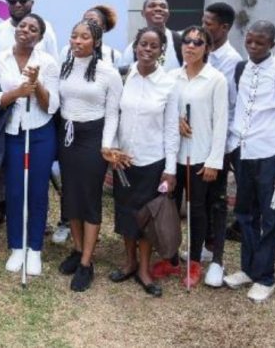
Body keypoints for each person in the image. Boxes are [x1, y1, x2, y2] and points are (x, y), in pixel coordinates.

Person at [223, 20, 275, 304]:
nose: (253, 47)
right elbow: (236, 109)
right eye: (250, 41)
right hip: (243, 152)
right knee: (244, 215)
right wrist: (232, 146)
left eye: (260, 43)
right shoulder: (241, 69)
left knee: (270, 218)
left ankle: (265, 277)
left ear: (272, 44)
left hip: (271, 155)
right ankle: (248, 268)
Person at [151, 26, 228, 288]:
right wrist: (177, 120)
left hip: (201, 156)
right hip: (174, 156)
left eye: (198, 42)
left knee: (197, 210)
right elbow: (163, 111)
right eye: (187, 41)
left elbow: (221, 123)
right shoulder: (172, 77)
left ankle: (194, 262)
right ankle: (172, 258)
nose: (191, 46)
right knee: (170, 207)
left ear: (207, 48)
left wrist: (214, 162)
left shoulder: (216, 79)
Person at [107, 26, 179, 298]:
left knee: (146, 217)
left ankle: (145, 270)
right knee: (126, 213)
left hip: (153, 162)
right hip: (124, 160)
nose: (148, 50)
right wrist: (113, 149)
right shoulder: (123, 76)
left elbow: (172, 129)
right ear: (135, 46)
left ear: (162, 51)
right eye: (143, 44)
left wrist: (169, 170)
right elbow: (113, 115)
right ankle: (129, 262)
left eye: (154, 46)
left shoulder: (168, 84)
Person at [0, 14, 59, 276]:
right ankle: (17, 246)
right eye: (23, 26)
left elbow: (51, 105)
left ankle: (35, 249)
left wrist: (35, 83)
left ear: (40, 37)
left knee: (38, 191)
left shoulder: (48, 62)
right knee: (15, 191)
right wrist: (17, 92)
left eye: (33, 29)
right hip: (13, 133)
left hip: (40, 132)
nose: (26, 30)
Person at [57, 20, 122, 291]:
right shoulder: (65, 67)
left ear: (96, 42)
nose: (77, 41)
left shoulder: (109, 73)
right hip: (68, 137)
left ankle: (86, 262)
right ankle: (77, 247)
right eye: (74, 36)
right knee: (70, 196)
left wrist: (106, 146)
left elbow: (112, 113)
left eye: (84, 37)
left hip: (93, 140)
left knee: (89, 199)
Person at [201, 2, 242, 286]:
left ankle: (216, 255)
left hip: (219, 142)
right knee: (198, 198)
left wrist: (223, 150)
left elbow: (229, 108)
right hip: (194, 139)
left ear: (224, 28)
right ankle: (199, 247)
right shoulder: (199, 51)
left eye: (209, 23)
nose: (203, 27)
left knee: (216, 199)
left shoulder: (232, 61)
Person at [121, 0, 182, 71]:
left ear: (168, 13)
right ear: (143, 13)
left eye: (163, 6)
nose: (158, 9)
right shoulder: (133, 48)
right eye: (152, 6)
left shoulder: (180, 42)